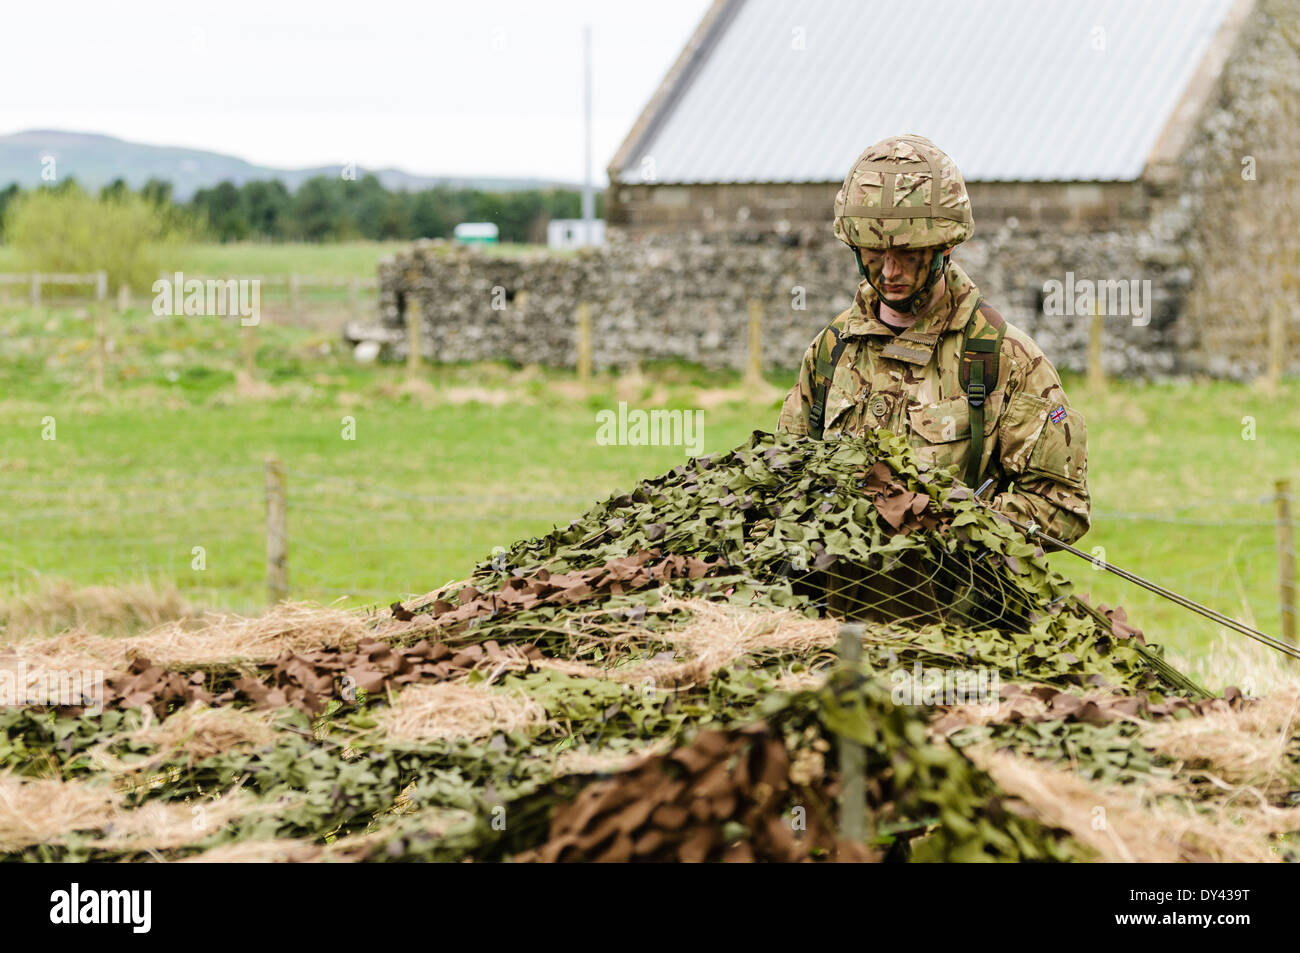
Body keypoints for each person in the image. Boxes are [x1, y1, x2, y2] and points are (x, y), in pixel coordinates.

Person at [777, 134, 1090, 545]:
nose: (889, 271)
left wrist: (950, 526)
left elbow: (1063, 506)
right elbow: (783, 477)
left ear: (946, 249)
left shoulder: (1005, 360)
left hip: (952, 603)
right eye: (873, 252)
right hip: (836, 600)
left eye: (909, 255)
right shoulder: (831, 351)